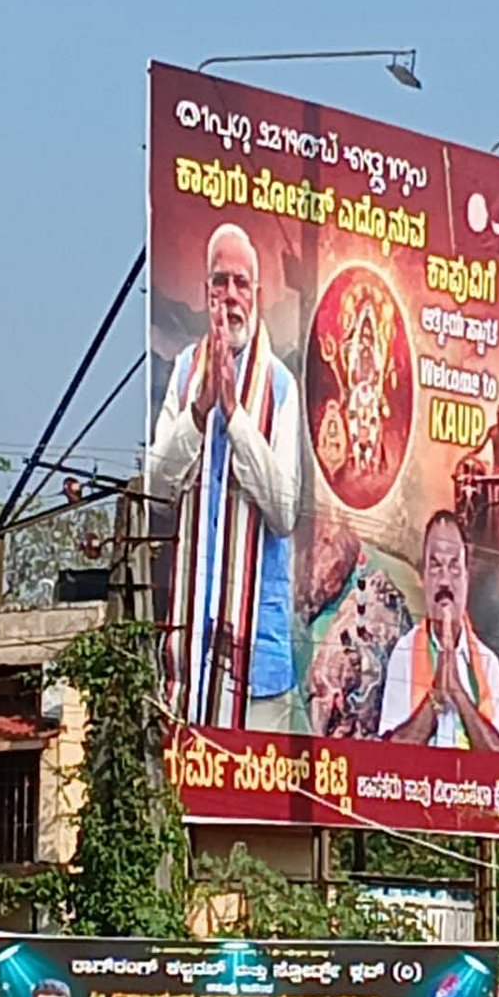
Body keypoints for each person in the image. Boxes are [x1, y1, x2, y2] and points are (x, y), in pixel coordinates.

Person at [150, 222, 301, 731]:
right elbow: (157, 486)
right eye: (220, 283)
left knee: (246, 807)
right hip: (188, 650)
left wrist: (235, 415)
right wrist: (200, 412)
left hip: (257, 661)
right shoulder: (185, 371)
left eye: (240, 283)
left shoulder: (280, 386)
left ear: (256, 293)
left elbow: (284, 512)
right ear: (205, 291)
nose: (230, 297)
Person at [377, 510, 499, 751]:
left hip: (470, 787)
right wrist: (436, 696)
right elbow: (391, 750)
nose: (444, 582)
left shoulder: (488, 662)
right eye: (435, 566)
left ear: (467, 577)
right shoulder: (405, 651)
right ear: (423, 578)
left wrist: (458, 693)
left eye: (453, 567)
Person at [478, 404, 499, 474]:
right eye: (498, 414)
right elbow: (482, 446)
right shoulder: (492, 430)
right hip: (495, 468)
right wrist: (472, 453)